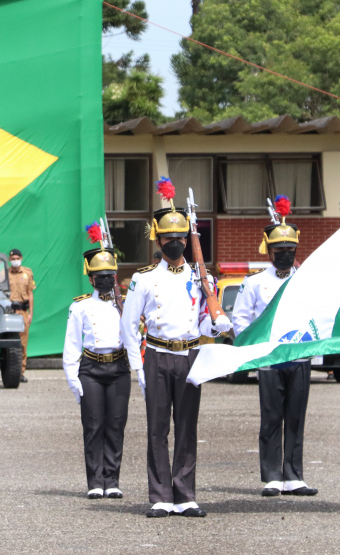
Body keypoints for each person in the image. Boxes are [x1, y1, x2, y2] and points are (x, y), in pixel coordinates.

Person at [120, 180, 231, 518]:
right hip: (155, 354)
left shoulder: (203, 278)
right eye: (168, 238)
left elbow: (203, 322)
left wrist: (216, 323)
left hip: (189, 354)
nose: (174, 243)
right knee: (157, 427)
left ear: (187, 239)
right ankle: (160, 496)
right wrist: (136, 367)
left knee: (186, 426)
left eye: (180, 238)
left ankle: (184, 494)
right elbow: (128, 325)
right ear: (158, 239)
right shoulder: (145, 278)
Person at [232, 197, 317, 497]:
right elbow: (240, 320)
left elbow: (315, 316)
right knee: (271, 416)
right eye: (279, 250)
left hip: (298, 355)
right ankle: (271, 475)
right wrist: (253, 352)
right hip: (269, 358)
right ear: (268, 251)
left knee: (296, 414)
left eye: (289, 250)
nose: (284, 255)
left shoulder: (305, 280)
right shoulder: (254, 283)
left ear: (296, 251)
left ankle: (294, 475)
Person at [63, 225, 130, 499]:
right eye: (99, 276)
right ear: (91, 279)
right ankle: (95, 481)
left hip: (118, 368)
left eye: (109, 276)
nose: (105, 281)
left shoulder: (124, 303)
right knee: (93, 426)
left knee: (115, 424)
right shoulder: (80, 306)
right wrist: (72, 378)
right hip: (90, 369)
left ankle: (112, 480)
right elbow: (72, 344)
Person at [8, 248, 36, 383]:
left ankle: (21, 372)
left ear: (21, 258)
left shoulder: (27, 273)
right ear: (9, 260)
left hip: (23, 312)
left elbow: (30, 294)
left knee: (23, 344)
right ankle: (7, 371)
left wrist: (31, 313)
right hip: (9, 313)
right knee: (8, 343)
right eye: (12, 259)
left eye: (17, 258)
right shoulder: (4, 274)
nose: (15, 261)